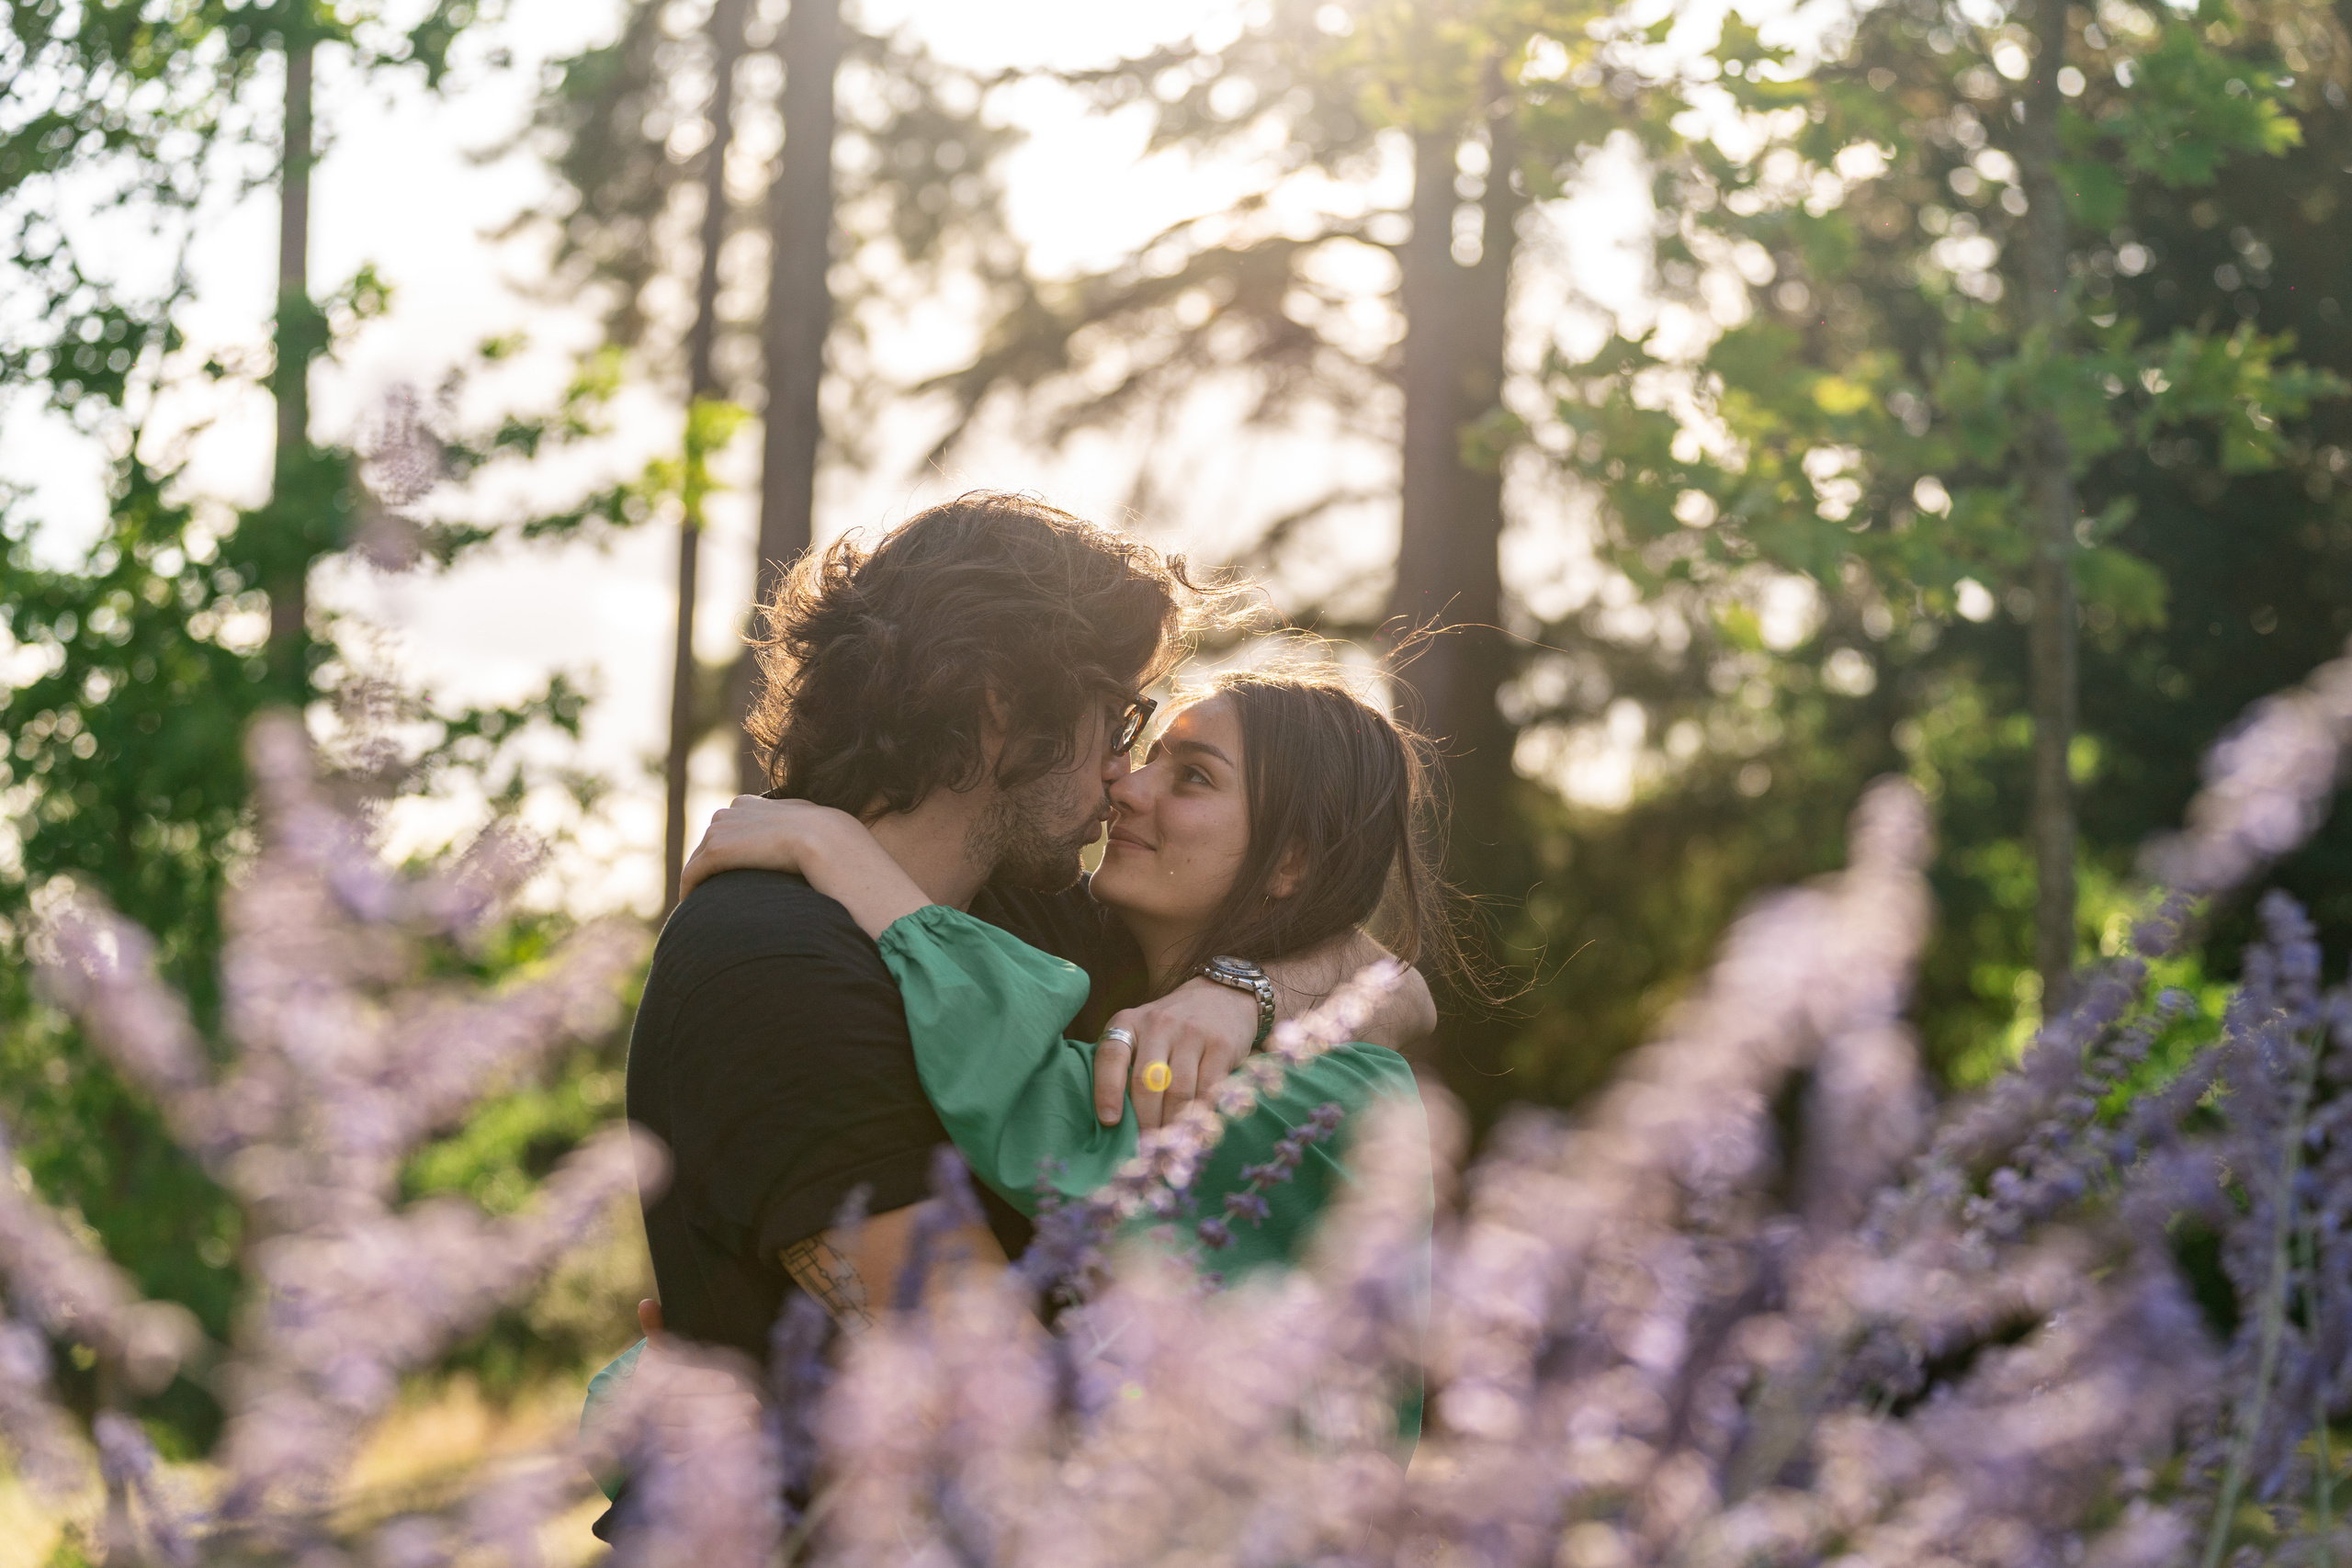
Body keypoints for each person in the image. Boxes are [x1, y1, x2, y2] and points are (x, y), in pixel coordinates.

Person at [616, 494, 1435, 1379]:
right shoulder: (775, 968)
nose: (1125, 776)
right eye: (1122, 722)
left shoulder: (1038, 914)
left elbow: (1394, 991)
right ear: (1002, 704)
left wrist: (1239, 991)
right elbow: (985, 1391)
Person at [591, 665, 1451, 1482]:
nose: (1129, 786)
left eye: (1192, 778)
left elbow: (1038, 1102)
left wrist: (843, 856)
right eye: (1147, 756)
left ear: (1292, 860)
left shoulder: (1332, 1091)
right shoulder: (1089, 952)